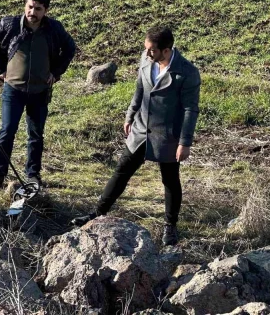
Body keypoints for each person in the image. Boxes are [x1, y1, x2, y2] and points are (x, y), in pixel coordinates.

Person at [71, 27, 201, 246]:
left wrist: (184, 142)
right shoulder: (146, 58)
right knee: (122, 171)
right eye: (146, 49)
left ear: (166, 50)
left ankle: (170, 227)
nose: (146, 54)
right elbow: (139, 88)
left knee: (170, 180)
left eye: (151, 50)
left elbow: (190, 109)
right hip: (141, 130)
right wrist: (130, 115)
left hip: (167, 135)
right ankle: (97, 213)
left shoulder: (187, 72)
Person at [0, 0, 76, 190]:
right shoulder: (10, 24)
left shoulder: (54, 28)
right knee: (7, 132)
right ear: (25, 6)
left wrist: (56, 72)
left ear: (46, 11)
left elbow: (70, 48)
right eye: (30, 7)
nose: (32, 12)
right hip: (13, 90)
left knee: (36, 134)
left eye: (38, 9)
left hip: (40, 91)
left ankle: (32, 175)